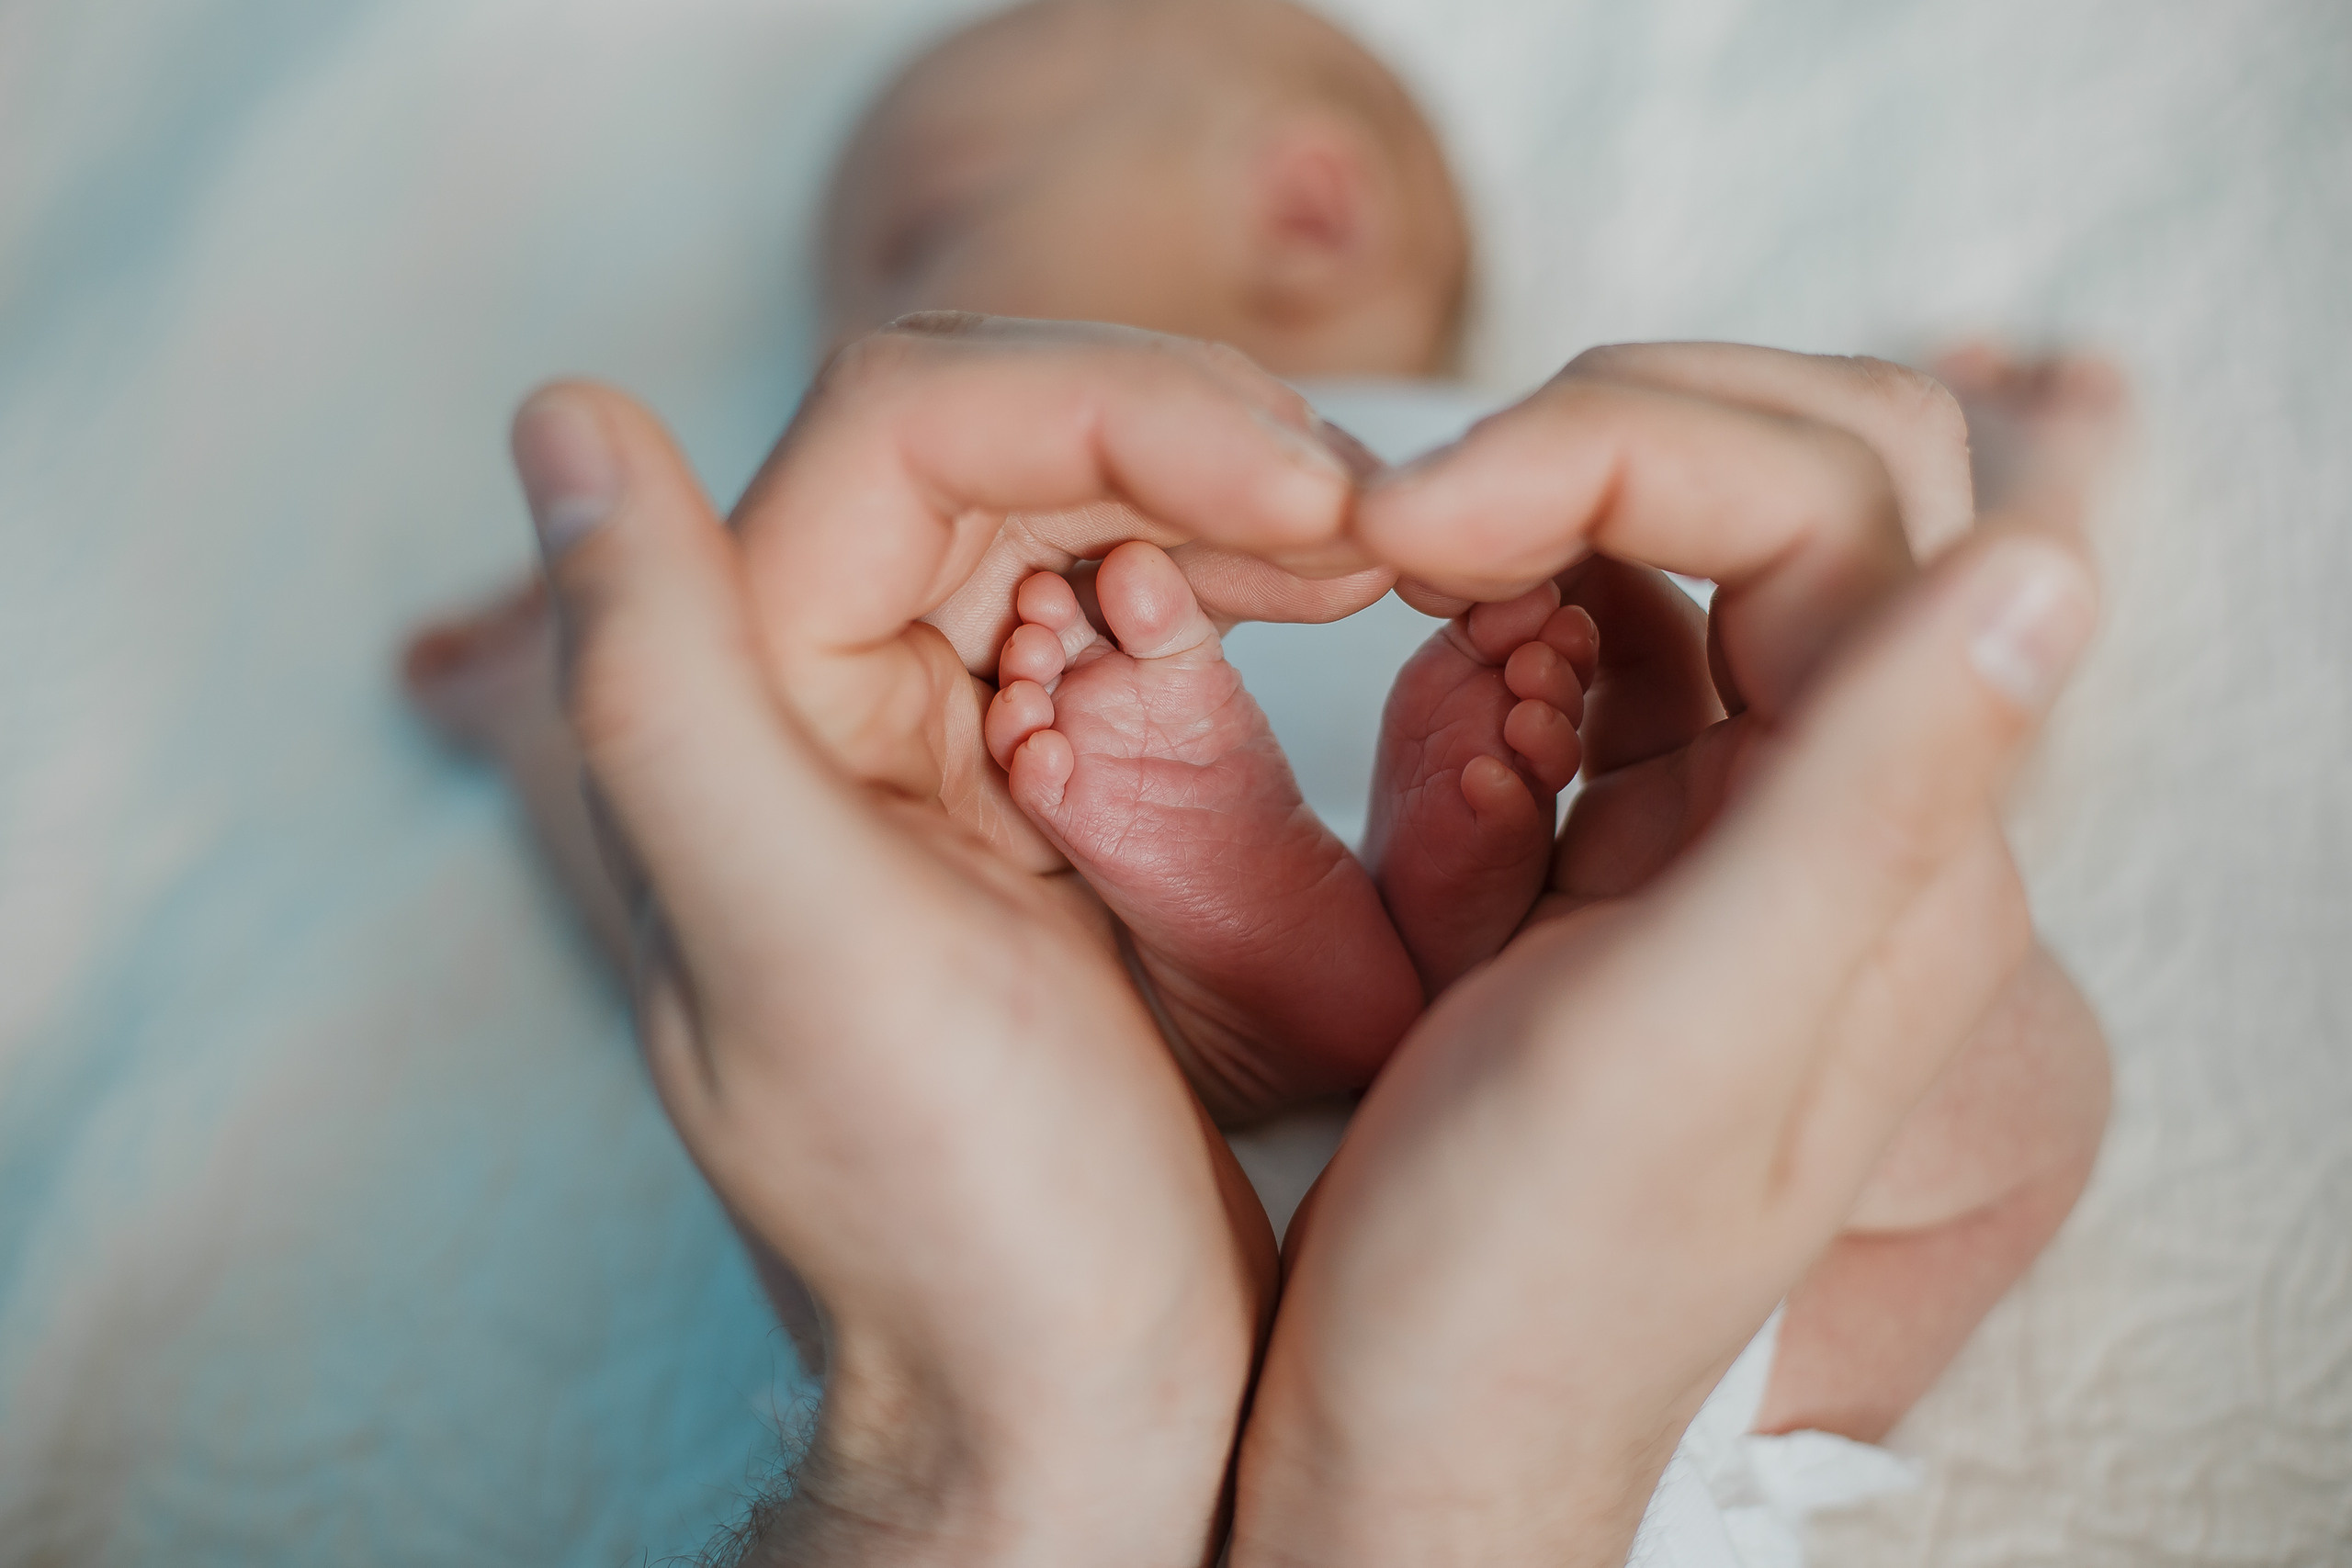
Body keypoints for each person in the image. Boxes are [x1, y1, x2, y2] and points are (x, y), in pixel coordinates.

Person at [401, 0, 2116, 1546]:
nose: (863, 334)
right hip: (1625, 1318)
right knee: (1985, 1052)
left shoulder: (1050, 563)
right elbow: (1911, 709)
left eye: (920, 241)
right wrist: (2033, 510)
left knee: (769, 971)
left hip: (1061, 1237)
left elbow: (678, 880)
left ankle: (1263, 978)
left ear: (1307, 209)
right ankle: (1434, 969)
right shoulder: (1548, 476)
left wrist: (557, 724)